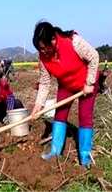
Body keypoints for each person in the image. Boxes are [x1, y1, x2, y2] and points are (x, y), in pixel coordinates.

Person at [31, 21, 99, 168]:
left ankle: (85, 158)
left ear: (53, 40)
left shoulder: (74, 42)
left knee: (84, 117)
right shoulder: (43, 57)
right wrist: (38, 105)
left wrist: (89, 83)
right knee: (60, 115)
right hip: (66, 85)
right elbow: (44, 82)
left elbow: (94, 56)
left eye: (44, 48)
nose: (42, 52)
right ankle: (55, 152)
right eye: (39, 49)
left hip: (86, 83)